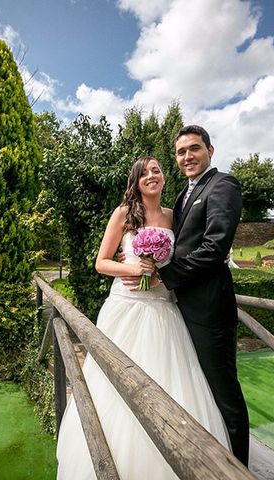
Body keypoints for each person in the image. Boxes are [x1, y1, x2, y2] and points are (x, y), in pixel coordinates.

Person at [56, 156, 232, 479]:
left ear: (164, 178)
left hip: (165, 310)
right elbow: (101, 262)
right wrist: (133, 268)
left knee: (174, 384)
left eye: (157, 170)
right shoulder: (124, 213)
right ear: (135, 181)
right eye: (145, 173)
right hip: (127, 308)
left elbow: (188, 254)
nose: (152, 176)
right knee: (116, 384)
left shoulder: (173, 216)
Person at [152, 124, 249, 465]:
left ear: (211, 150)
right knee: (199, 387)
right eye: (181, 152)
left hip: (209, 307)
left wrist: (165, 275)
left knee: (225, 395)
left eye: (194, 148)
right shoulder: (183, 194)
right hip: (183, 307)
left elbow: (215, 246)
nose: (187, 156)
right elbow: (182, 244)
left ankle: (239, 468)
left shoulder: (223, 185)